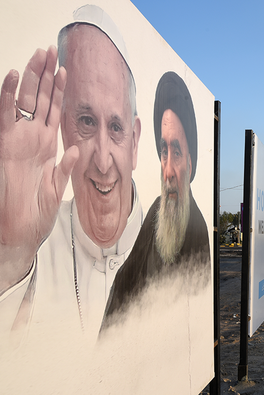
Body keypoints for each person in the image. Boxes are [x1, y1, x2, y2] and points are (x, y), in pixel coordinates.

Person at [0, 5, 143, 355]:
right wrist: (8, 251)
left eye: (115, 127)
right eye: (85, 121)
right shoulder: (35, 244)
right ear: (62, 128)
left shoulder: (167, 244)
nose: (102, 161)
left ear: (135, 140)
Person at [100, 71, 210, 331]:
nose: (168, 170)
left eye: (177, 152)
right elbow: (123, 280)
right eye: (164, 151)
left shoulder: (199, 236)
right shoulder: (155, 214)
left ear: (191, 164)